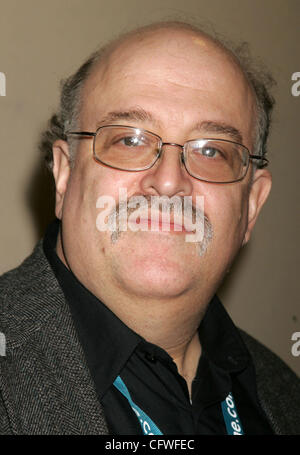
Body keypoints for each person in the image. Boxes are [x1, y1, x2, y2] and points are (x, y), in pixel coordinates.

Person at [0, 21, 299, 436]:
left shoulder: (285, 393)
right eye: (129, 140)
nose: (170, 181)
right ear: (65, 176)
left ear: (250, 206)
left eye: (211, 150)